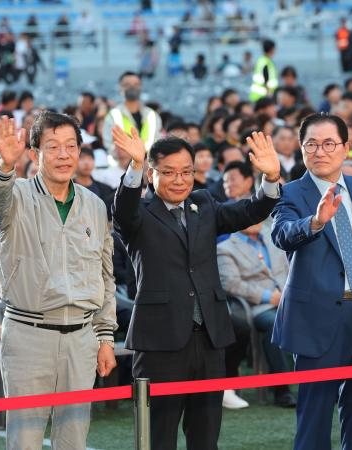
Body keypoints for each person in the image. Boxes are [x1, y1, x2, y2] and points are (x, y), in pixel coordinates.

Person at [112, 126, 281, 450]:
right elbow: (123, 212)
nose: (180, 180)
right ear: (151, 173)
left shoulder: (203, 203)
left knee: (205, 434)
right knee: (157, 434)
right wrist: (133, 168)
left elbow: (248, 211)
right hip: (160, 341)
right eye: (170, 172)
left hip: (210, 336)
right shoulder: (139, 213)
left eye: (186, 172)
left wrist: (270, 179)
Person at [0, 113, 117, 450]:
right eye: (52, 147)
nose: (63, 154)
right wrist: (4, 167)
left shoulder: (95, 205)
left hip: (82, 339)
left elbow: (105, 275)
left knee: (73, 440)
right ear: (34, 153)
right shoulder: (16, 196)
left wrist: (105, 336)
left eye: (71, 146)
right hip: (29, 336)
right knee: (24, 440)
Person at [271, 113, 352, 450]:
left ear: (345, 148)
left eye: (328, 144)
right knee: (314, 418)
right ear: (301, 148)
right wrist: (315, 222)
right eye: (311, 144)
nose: (320, 151)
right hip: (318, 317)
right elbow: (282, 234)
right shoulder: (290, 192)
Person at [217, 221, 296, 407]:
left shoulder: (273, 239)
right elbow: (230, 284)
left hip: (290, 300)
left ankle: (326, 382)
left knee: (323, 315)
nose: (255, 221)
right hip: (257, 307)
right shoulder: (224, 248)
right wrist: (269, 297)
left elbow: (291, 268)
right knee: (275, 323)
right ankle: (282, 390)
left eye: (258, 216)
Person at [102, 71, 162, 152]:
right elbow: (109, 144)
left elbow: (158, 143)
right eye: (127, 85)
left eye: (136, 84)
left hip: (149, 162)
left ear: (141, 87)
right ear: (120, 88)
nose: (132, 87)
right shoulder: (113, 116)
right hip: (122, 163)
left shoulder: (152, 115)